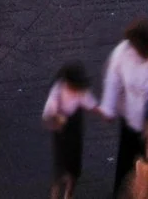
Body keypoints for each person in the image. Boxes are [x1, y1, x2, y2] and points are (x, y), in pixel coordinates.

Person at [101, 20, 148, 195]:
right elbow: (113, 80)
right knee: (125, 165)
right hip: (130, 124)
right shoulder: (123, 53)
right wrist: (109, 108)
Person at [43, 61, 100, 199]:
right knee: (60, 164)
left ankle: (69, 192)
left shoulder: (80, 90)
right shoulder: (56, 93)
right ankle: (56, 192)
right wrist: (57, 118)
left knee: (74, 165)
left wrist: (104, 113)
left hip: (75, 133)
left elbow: (91, 104)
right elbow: (47, 117)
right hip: (61, 135)